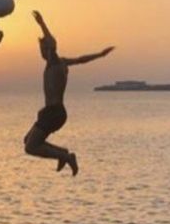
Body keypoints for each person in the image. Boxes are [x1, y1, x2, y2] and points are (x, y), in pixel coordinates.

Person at [24, 10, 114, 175]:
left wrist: (42, 24)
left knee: (31, 147)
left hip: (54, 112)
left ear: (48, 49)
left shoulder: (54, 60)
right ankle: (62, 154)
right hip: (52, 113)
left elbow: (51, 43)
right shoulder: (63, 62)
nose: (41, 52)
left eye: (42, 49)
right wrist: (100, 55)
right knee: (27, 141)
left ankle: (65, 156)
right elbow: (81, 59)